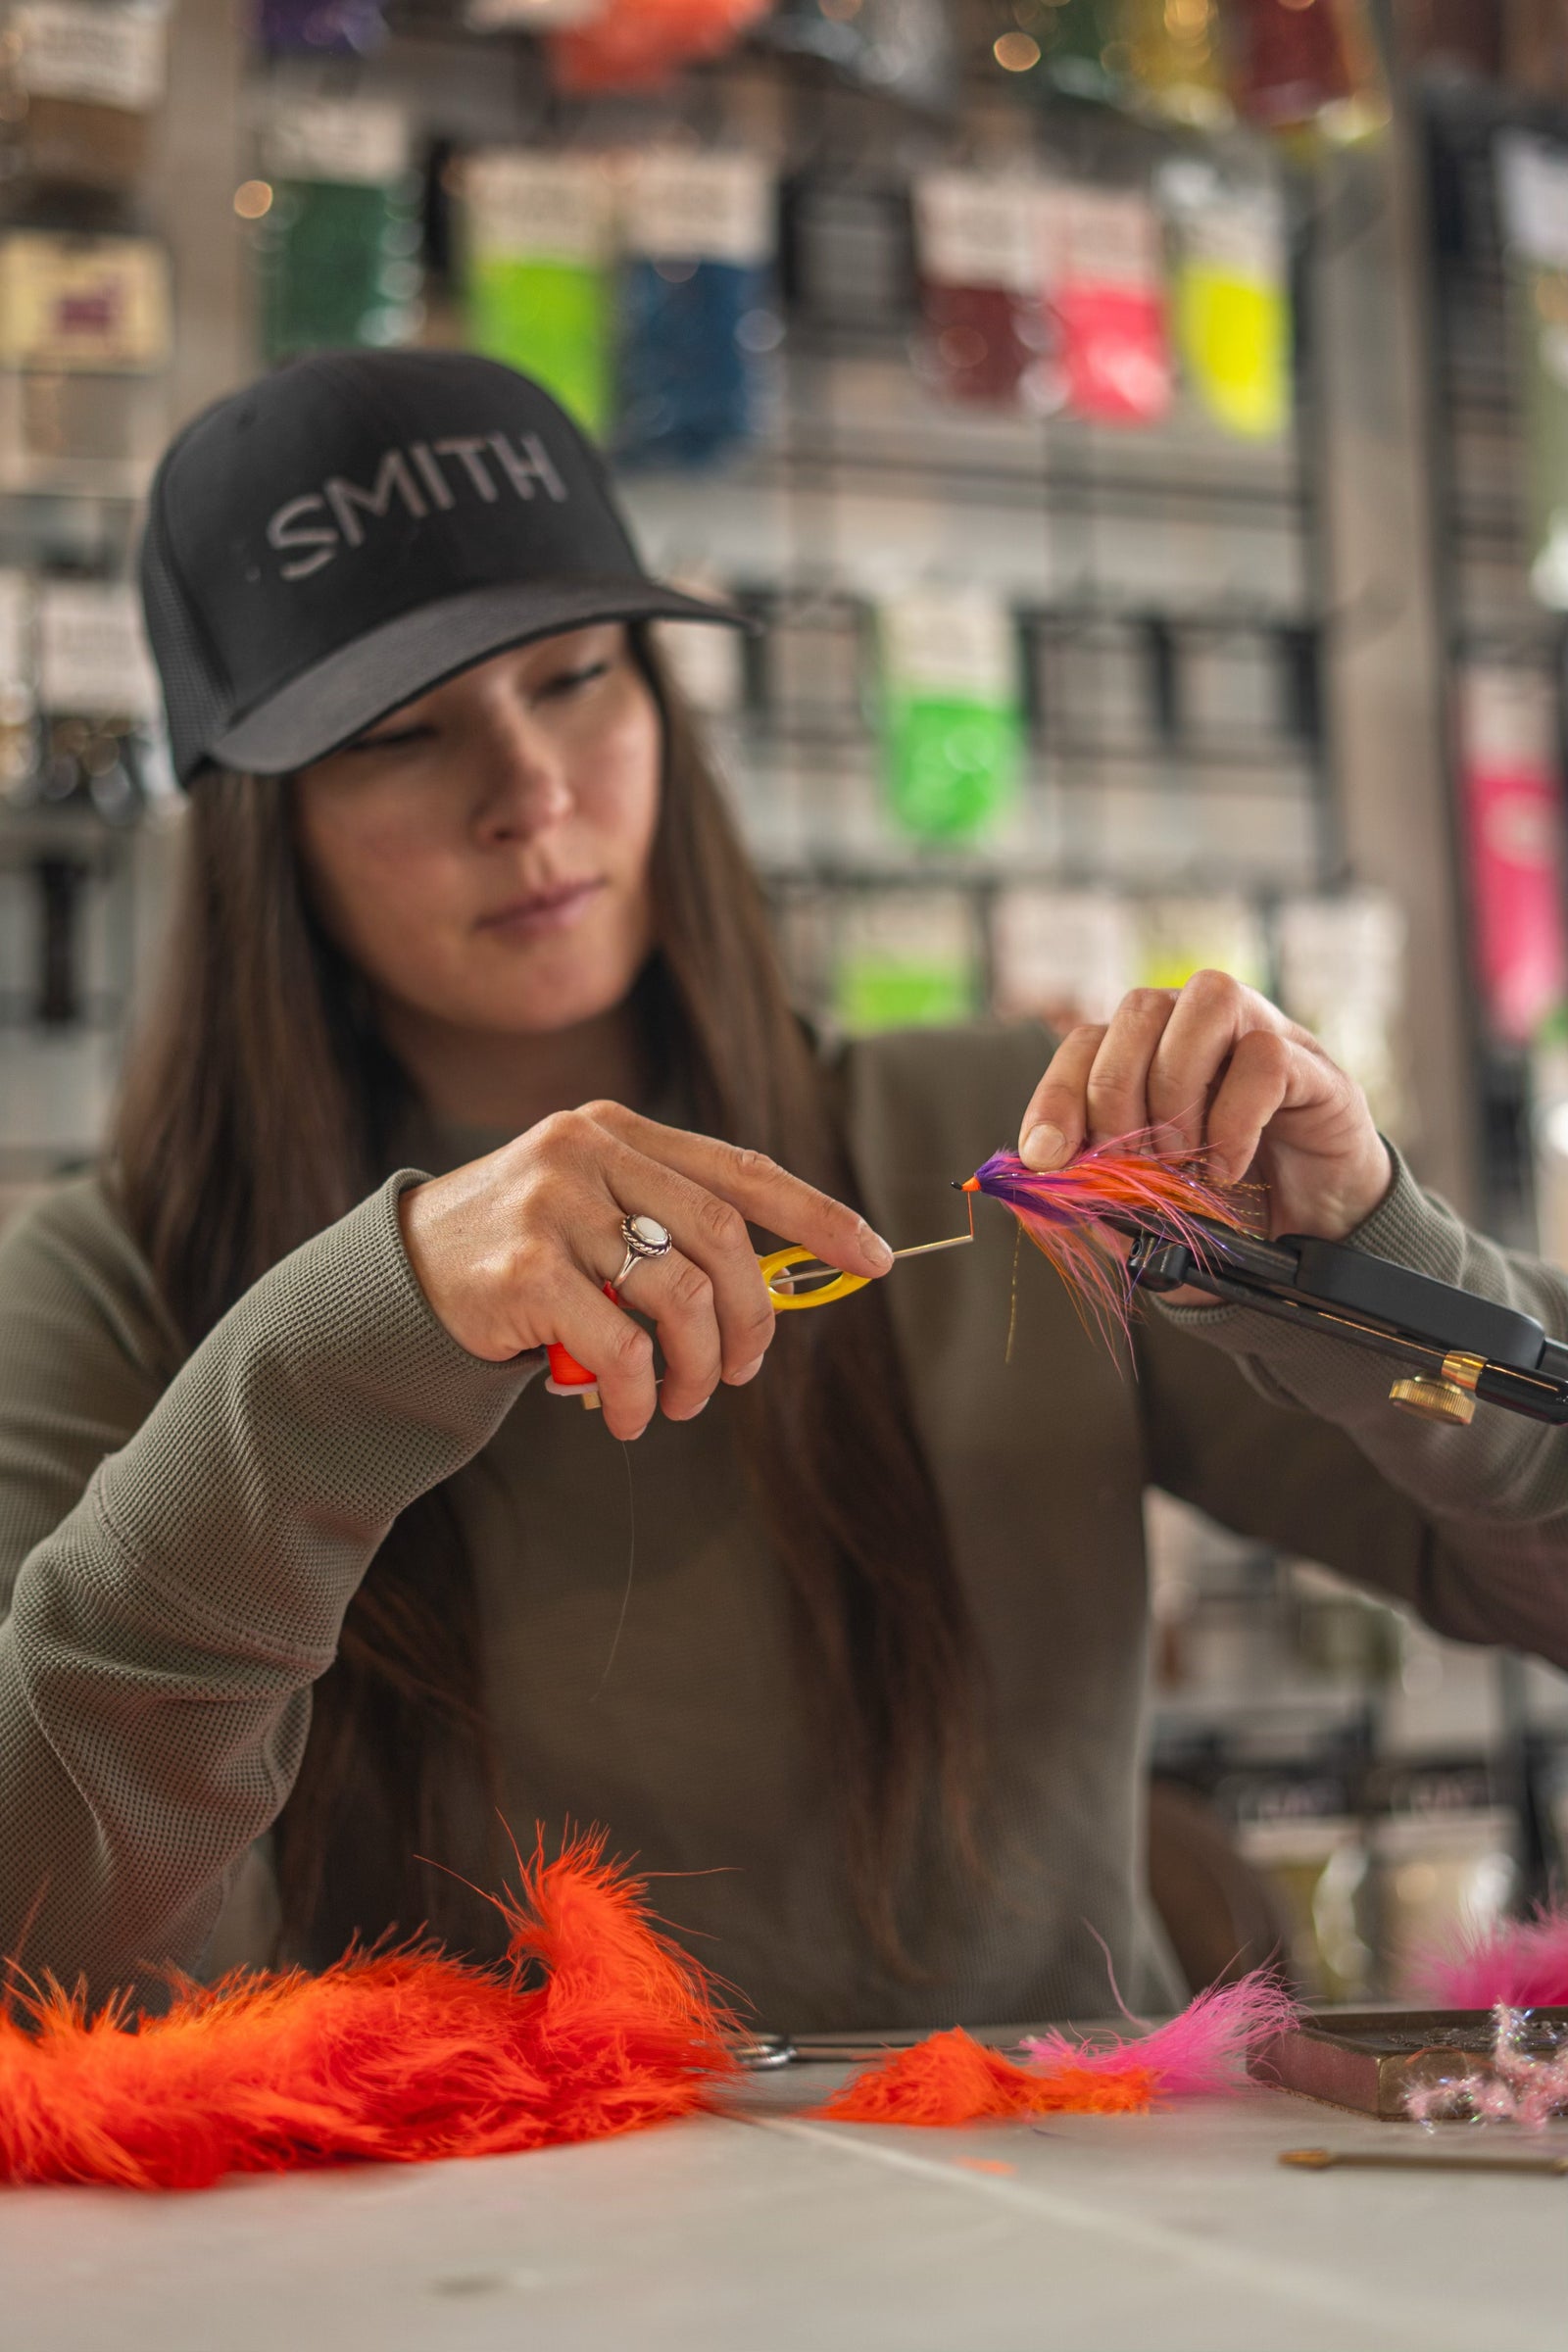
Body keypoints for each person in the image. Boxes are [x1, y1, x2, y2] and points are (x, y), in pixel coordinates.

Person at [2, 351, 1566, 2030]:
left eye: (580, 677)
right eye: (400, 735)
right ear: (261, 827)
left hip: (1071, 2261)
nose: (530, 792)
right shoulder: (115, 1285)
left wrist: (1365, 1260)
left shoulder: (1006, 1152)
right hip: (483, 2284)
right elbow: (52, 1957)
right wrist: (348, 1353)